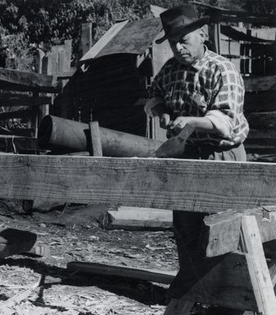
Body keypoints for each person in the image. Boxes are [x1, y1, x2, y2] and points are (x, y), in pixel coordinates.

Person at [144, 4, 249, 309]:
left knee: (223, 230)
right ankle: (193, 296)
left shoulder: (222, 69)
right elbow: (155, 96)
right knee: (187, 229)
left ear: (202, 34)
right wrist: (161, 112)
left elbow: (227, 121)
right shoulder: (170, 69)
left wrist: (192, 121)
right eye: (173, 42)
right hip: (186, 157)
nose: (178, 47)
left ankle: (229, 300)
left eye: (184, 40)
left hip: (221, 156)